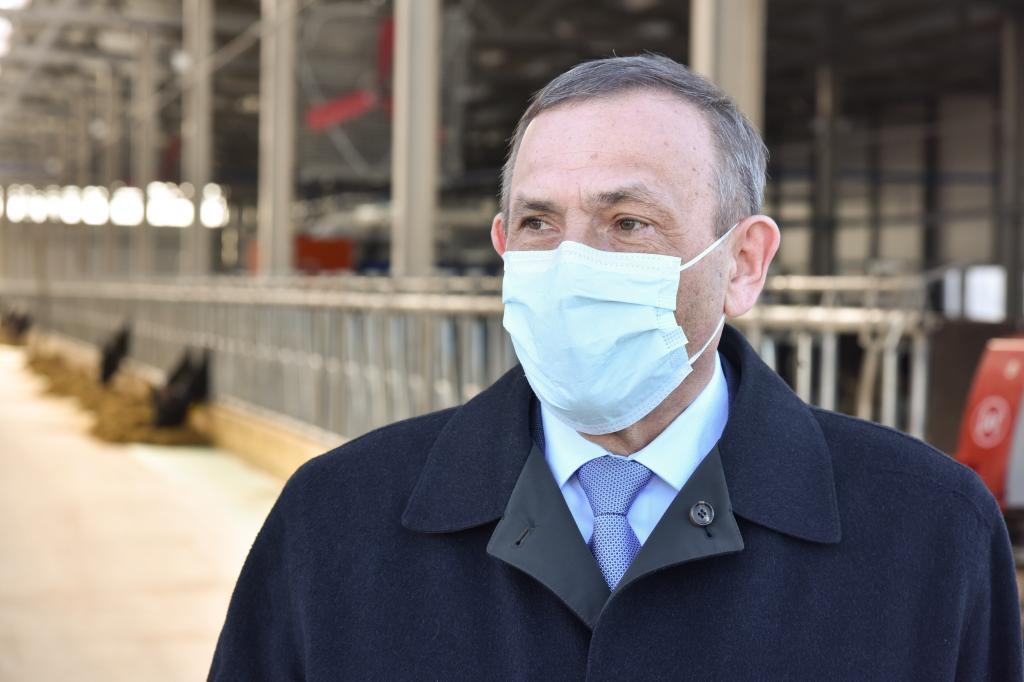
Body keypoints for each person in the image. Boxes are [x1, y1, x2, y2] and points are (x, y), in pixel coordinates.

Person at [208, 55, 1022, 680]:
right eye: (539, 222)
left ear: (743, 264)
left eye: (628, 222)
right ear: (503, 247)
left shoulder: (930, 535)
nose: (572, 264)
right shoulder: (335, 523)